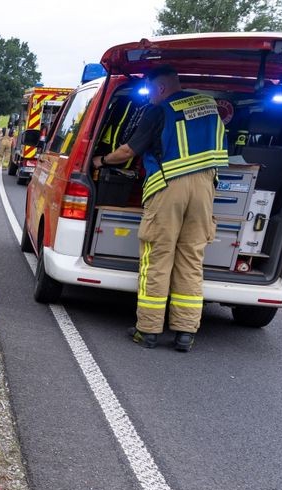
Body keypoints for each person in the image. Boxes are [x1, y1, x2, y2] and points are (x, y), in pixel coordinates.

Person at [92, 65, 228, 352]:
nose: (149, 97)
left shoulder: (160, 110)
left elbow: (129, 151)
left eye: (150, 91)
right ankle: (185, 333)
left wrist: (101, 161)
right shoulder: (208, 106)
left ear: (161, 88)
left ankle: (149, 329)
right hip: (206, 188)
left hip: (169, 187)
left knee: (157, 257)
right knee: (191, 258)